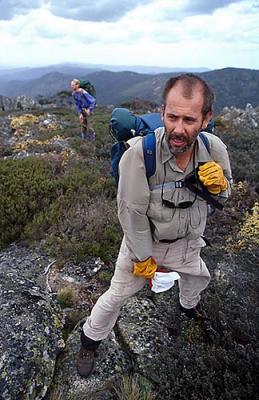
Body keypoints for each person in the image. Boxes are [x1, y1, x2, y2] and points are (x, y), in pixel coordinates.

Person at [76, 73, 232, 378]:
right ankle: (89, 341)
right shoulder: (140, 155)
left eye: (189, 120)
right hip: (143, 246)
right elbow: (130, 213)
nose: (178, 128)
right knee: (116, 296)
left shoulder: (214, 149)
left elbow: (224, 195)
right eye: (172, 117)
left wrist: (221, 186)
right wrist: (144, 257)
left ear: (205, 118)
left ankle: (188, 308)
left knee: (199, 278)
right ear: (162, 112)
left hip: (187, 244)